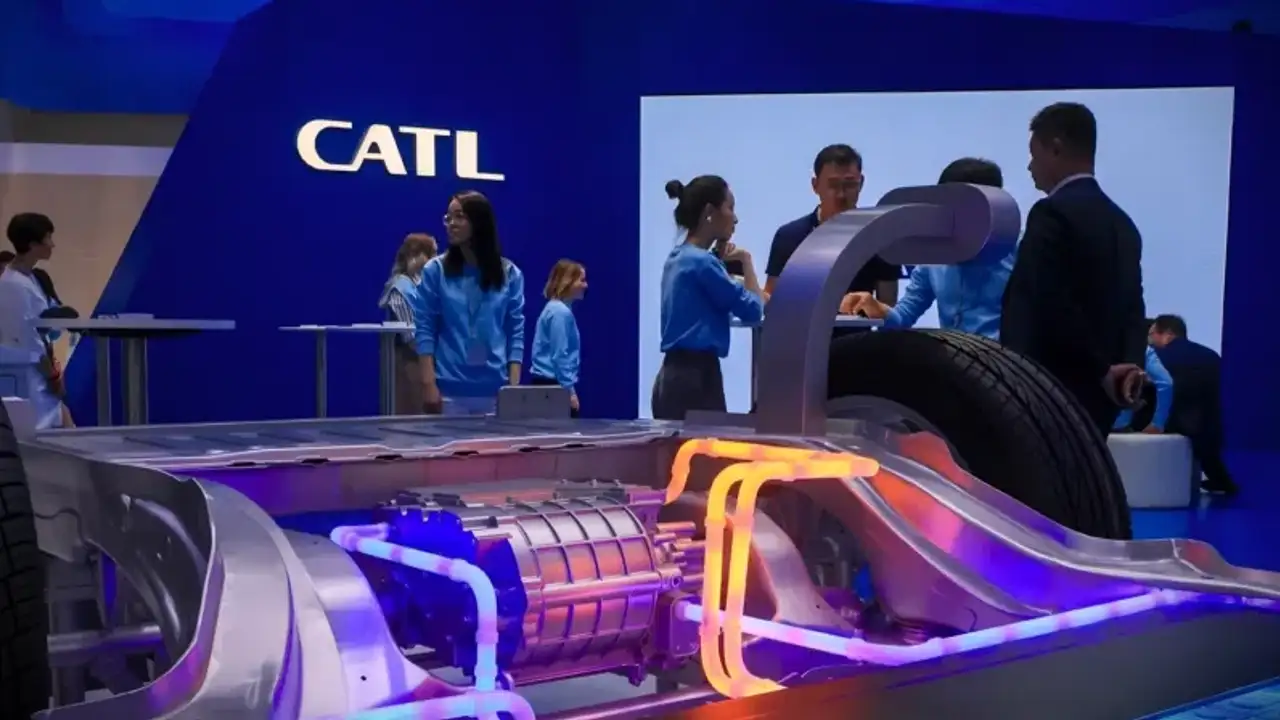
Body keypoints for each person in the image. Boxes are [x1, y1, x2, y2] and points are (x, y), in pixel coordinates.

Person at [1000, 102, 1147, 438]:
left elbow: (1047, 303)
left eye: (1034, 155)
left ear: (1055, 148)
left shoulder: (1051, 214)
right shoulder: (1123, 224)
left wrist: (1099, 369)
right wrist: (1126, 370)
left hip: (1049, 390)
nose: (1030, 166)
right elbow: (1133, 309)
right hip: (1105, 397)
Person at [841, 158, 1014, 340]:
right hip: (956, 355)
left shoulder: (1019, 251)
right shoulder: (934, 256)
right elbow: (904, 316)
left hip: (1007, 356)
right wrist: (878, 309)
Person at [652, 175, 765, 420]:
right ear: (710, 212)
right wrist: (746, 261)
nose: (735, 218)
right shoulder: (704, 264)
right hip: (697, 380)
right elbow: (753, 310)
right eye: (730, 207)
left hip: (671, 376)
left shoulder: (678, 258)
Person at [411, 191, 525, 416]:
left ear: (479, 222)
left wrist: (513, 388)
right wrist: (428, 384)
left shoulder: (510, 274)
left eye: (459, 217)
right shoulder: (436, 271)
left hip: (496, 393)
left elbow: (515, 331)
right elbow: (425, 329)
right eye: (448, 218)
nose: (451, 224)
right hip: (448, 394)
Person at [764, 144, 899, 320]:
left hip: (859, 337)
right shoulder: (789, 237)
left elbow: (888, 309)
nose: (841, 195)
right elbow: (772, 303)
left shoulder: (881, 239)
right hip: (799, 336)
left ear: (861, 184)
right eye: (833, 185)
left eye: (849, 184)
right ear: (815, 185)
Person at [1147, 314, 1237, 496]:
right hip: (1208, 425)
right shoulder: (1211, 355)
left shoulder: (1158, 357)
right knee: (1211, 458)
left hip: (1171, 421)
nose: (1150, 340)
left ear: (1168, 334)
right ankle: (1221, 482)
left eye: (1152, 334)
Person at [0, 213, 70, 429]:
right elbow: (28, 338)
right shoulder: (13, 285)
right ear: (33, 244)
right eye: (48, 237)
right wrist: (52, 376)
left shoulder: (32, 278)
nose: (52, 244)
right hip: (30, 377)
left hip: (39, 373)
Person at [378, 233, 437, 415]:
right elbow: (410, 336)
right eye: (430, 255)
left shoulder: (423, 285)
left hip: (428, 360)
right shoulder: (400, 288)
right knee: (411, 414)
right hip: (409, 362)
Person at [531, 259, 587, 417]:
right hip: (553, 387)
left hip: (548, 385)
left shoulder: (553, 309)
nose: (585, 285)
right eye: (581, 280)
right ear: (568, 282)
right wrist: (569, 391)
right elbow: (560, 355)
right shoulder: (560, 313)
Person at [1113, 343, 1174, 434]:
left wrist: (1157, 424)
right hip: (1116, 424)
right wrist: (1158, 423)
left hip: (1104, 423)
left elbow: (1166, 383)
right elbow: (1165, 383)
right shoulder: (1141, 349)